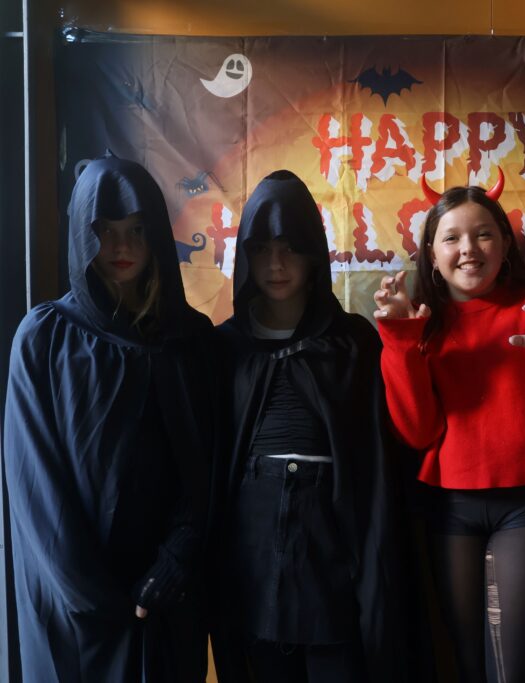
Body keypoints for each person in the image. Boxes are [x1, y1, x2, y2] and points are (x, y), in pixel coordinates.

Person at [372, 174, 525, 683]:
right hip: (450, 507)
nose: (469, 249)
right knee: (469, 666)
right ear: (432, 254)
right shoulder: (423, 321)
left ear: (505, 245)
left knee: (515, 671)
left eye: (483, 234)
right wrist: (400, 339)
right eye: (452, 238)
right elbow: (417, 434)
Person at [3, 153, 215, 681]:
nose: (122, 247)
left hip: (166, 601)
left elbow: (209, 464)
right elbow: (35, 484)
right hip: (75, 613)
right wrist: (93, 598)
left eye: (137, 230)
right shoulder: (46, 337)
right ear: (83, 233)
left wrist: (174, 561)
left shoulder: (192, 341)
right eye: (105, 231)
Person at [210, 170, 407, 682]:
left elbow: (374, 462)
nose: (275, 265)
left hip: (331, 538)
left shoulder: (351, 341)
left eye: (290, 248)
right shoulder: (224, 347)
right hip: (253, 540)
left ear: (314, 253)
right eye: (262, 250)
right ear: (245, 256)